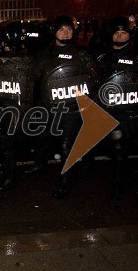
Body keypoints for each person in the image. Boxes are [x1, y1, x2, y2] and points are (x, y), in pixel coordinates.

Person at [25, 15, 99, 199]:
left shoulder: (81, 54)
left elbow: (93, 80)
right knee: (42, 137)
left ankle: (65, 182)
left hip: (71, 106)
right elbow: (34, 78)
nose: (66, 33)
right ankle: (40, 165)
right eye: (62, 29)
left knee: (66, 144)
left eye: (69, 30)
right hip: (48, 104)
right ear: (54, 32)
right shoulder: (43, 53)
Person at [96, 16, 138, 199]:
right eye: (117, 33)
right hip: (107, 108)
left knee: (120, 146)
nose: (120, 37)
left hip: (129, 109)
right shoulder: (102, 57)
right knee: (105, 145)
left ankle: (118, 182)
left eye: (124, 33)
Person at [0, 21, 34, 191]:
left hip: (15, 106)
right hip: (2, 104)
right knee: (2, 140)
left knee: (7, 143)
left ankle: (10, 175)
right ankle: (6, 169)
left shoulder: (24, 59)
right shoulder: (7, 56)